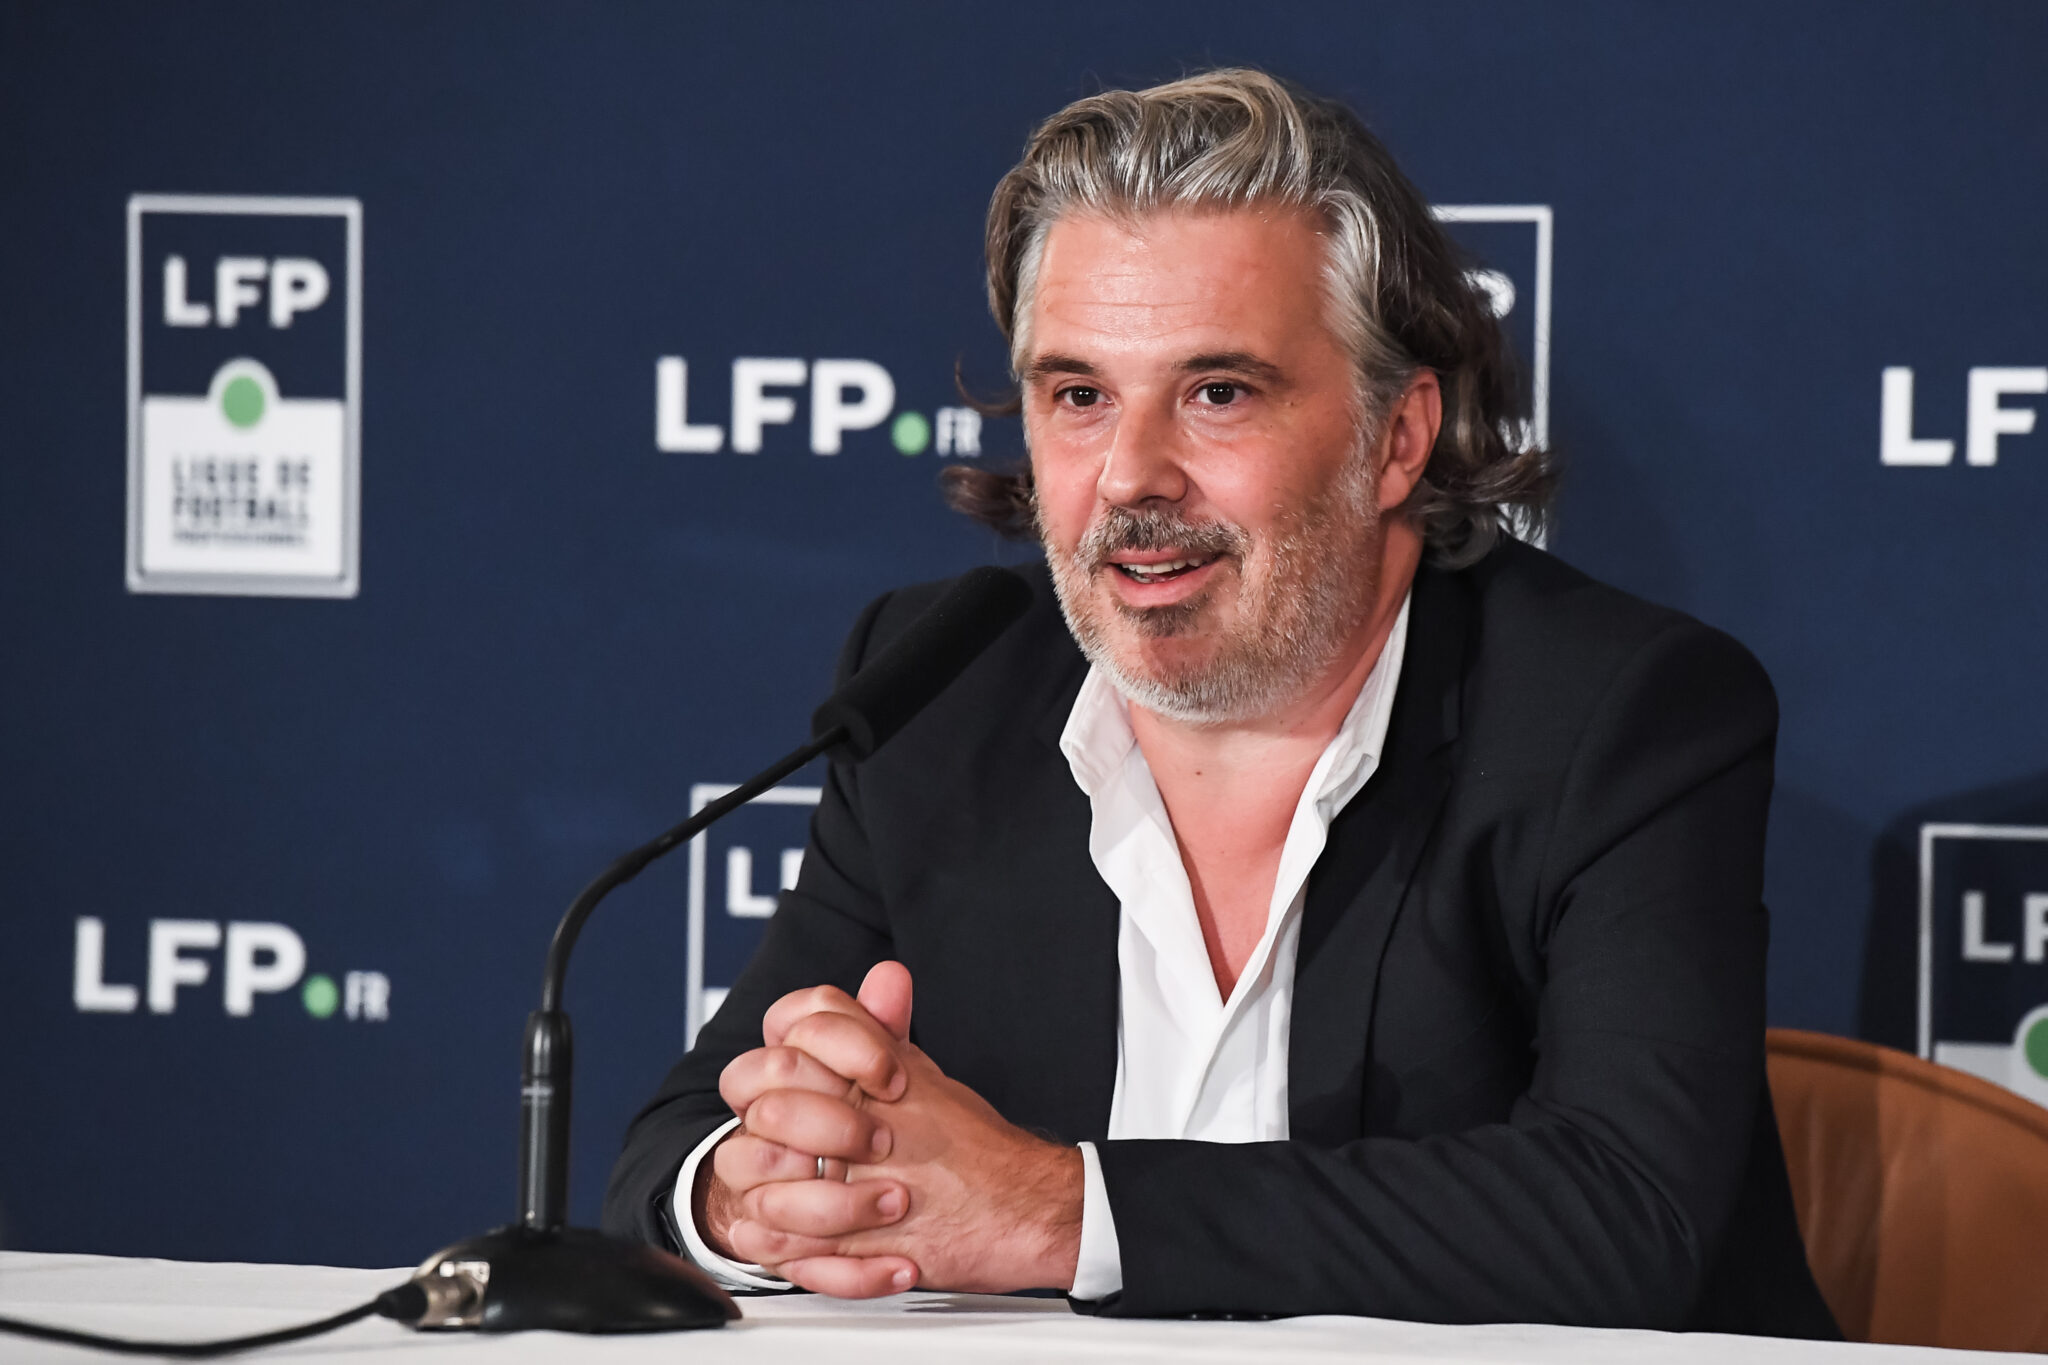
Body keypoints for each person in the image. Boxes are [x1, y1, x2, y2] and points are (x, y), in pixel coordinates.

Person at [604, 68, 1839, 1336]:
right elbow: (674, 1152)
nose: (1130, 476)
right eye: (1079, 397)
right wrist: (750, 1192)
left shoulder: (1618, 711)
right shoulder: (942, 689)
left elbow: (1627, 1215)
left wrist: (1058, 1211)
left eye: (1216, 394)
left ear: (1395, 437)